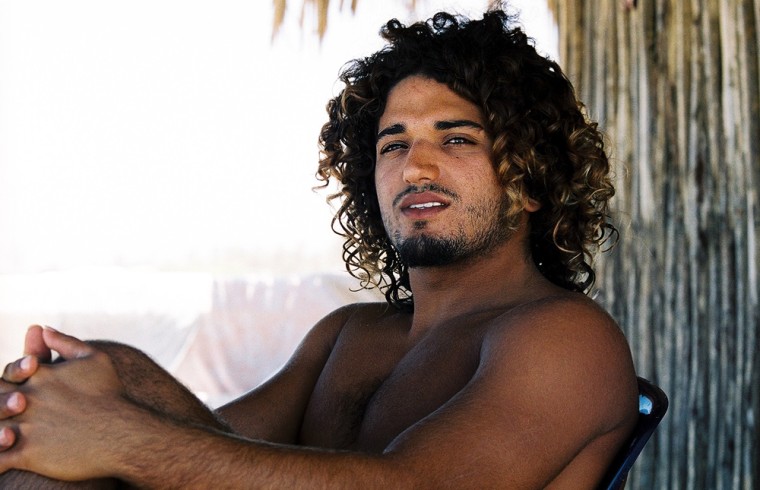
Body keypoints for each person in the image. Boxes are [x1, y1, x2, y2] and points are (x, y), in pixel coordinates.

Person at [0, 6, 639, 488]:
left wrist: (119, 439)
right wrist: (89, 400)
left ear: (529, 181)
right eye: (393, 144)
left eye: (456, 139)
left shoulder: (563, 338)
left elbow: (408, 488)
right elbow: (215, 447)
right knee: (105, 374)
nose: (415, 167)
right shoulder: (348, 335)